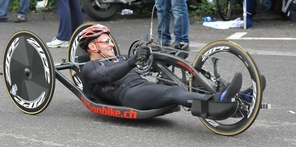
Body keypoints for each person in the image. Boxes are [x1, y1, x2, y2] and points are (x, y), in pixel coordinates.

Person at [78, 25, 243, 111]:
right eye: (107, 41)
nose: (112, 44)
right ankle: (216, 101)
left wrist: (164, 55)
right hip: (128, 95)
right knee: (173, 92)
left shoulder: (119, 58)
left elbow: (146, 67)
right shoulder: (89, 67)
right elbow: (108, 75)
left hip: (143, 87)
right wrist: (133, 61)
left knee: (183, 84)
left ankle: (240, 98)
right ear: (92, 46)